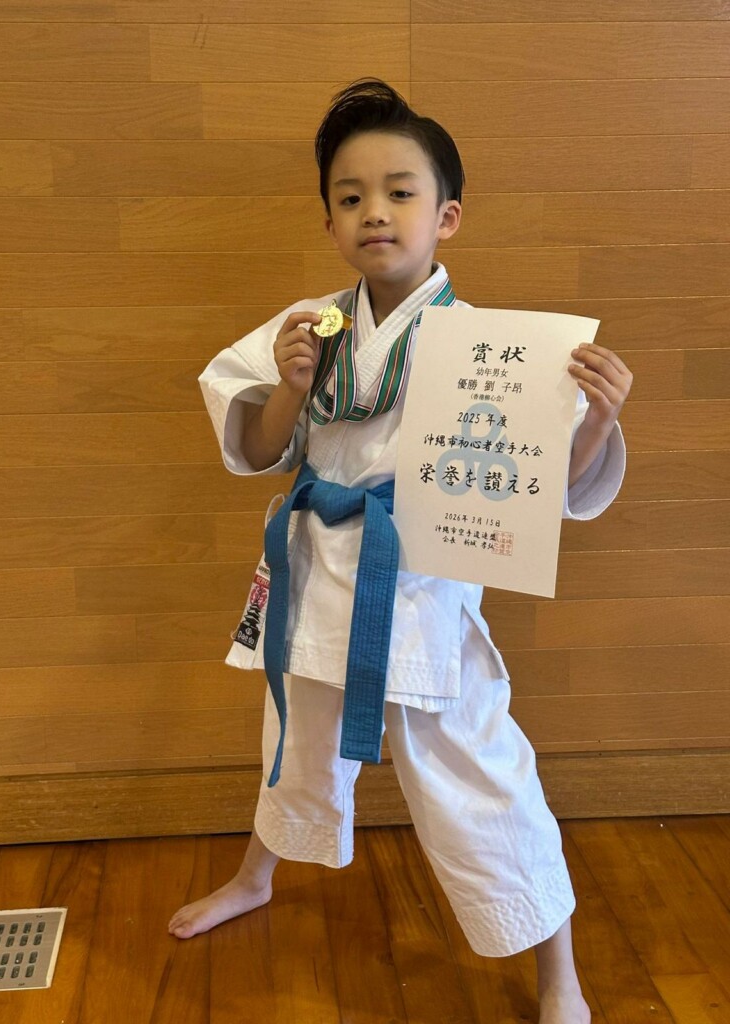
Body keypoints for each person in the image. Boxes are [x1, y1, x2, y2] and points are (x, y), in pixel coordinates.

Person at [169, 79, 632, 1024]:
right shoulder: (309, 326)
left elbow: (553, 489)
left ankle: (560, 976)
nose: (374, 211)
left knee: (479, 775)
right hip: (314, 570)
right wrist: (290, 386)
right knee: (294, 741)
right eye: (350, 196)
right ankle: (256, 877)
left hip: (420, 586)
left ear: (446, 215)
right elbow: (256, 449)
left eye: (399, 191)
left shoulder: (493, 349)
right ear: (330, 221)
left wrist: (597, 420)